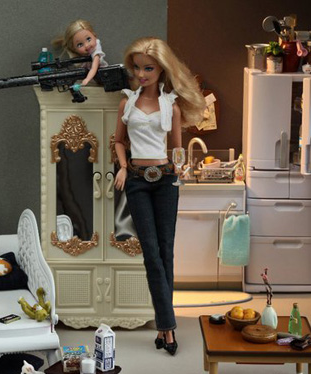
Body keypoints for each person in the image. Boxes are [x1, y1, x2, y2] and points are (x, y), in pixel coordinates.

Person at [113, 37, 205, 356]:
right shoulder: (127, 104)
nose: (141, 74)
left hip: (165, 180)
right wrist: (123, 167)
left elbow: (177, 147)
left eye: (148, 68)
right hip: (137, 181)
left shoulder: (171, 106)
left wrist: (180, 168)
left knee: (166, 251)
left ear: (162, 70)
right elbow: (119, 141)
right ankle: (168, 327)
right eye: (137, 68)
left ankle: (165, 328)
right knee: (151, 253)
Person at [52, 19, 108, 87]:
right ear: (74, 49)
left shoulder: (96, 53)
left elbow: (94, 68)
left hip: (103, 77)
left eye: (88, 39)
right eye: (80, 45)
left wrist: (87, 79)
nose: (87, 45)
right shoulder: (82, 57)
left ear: (94, 35)